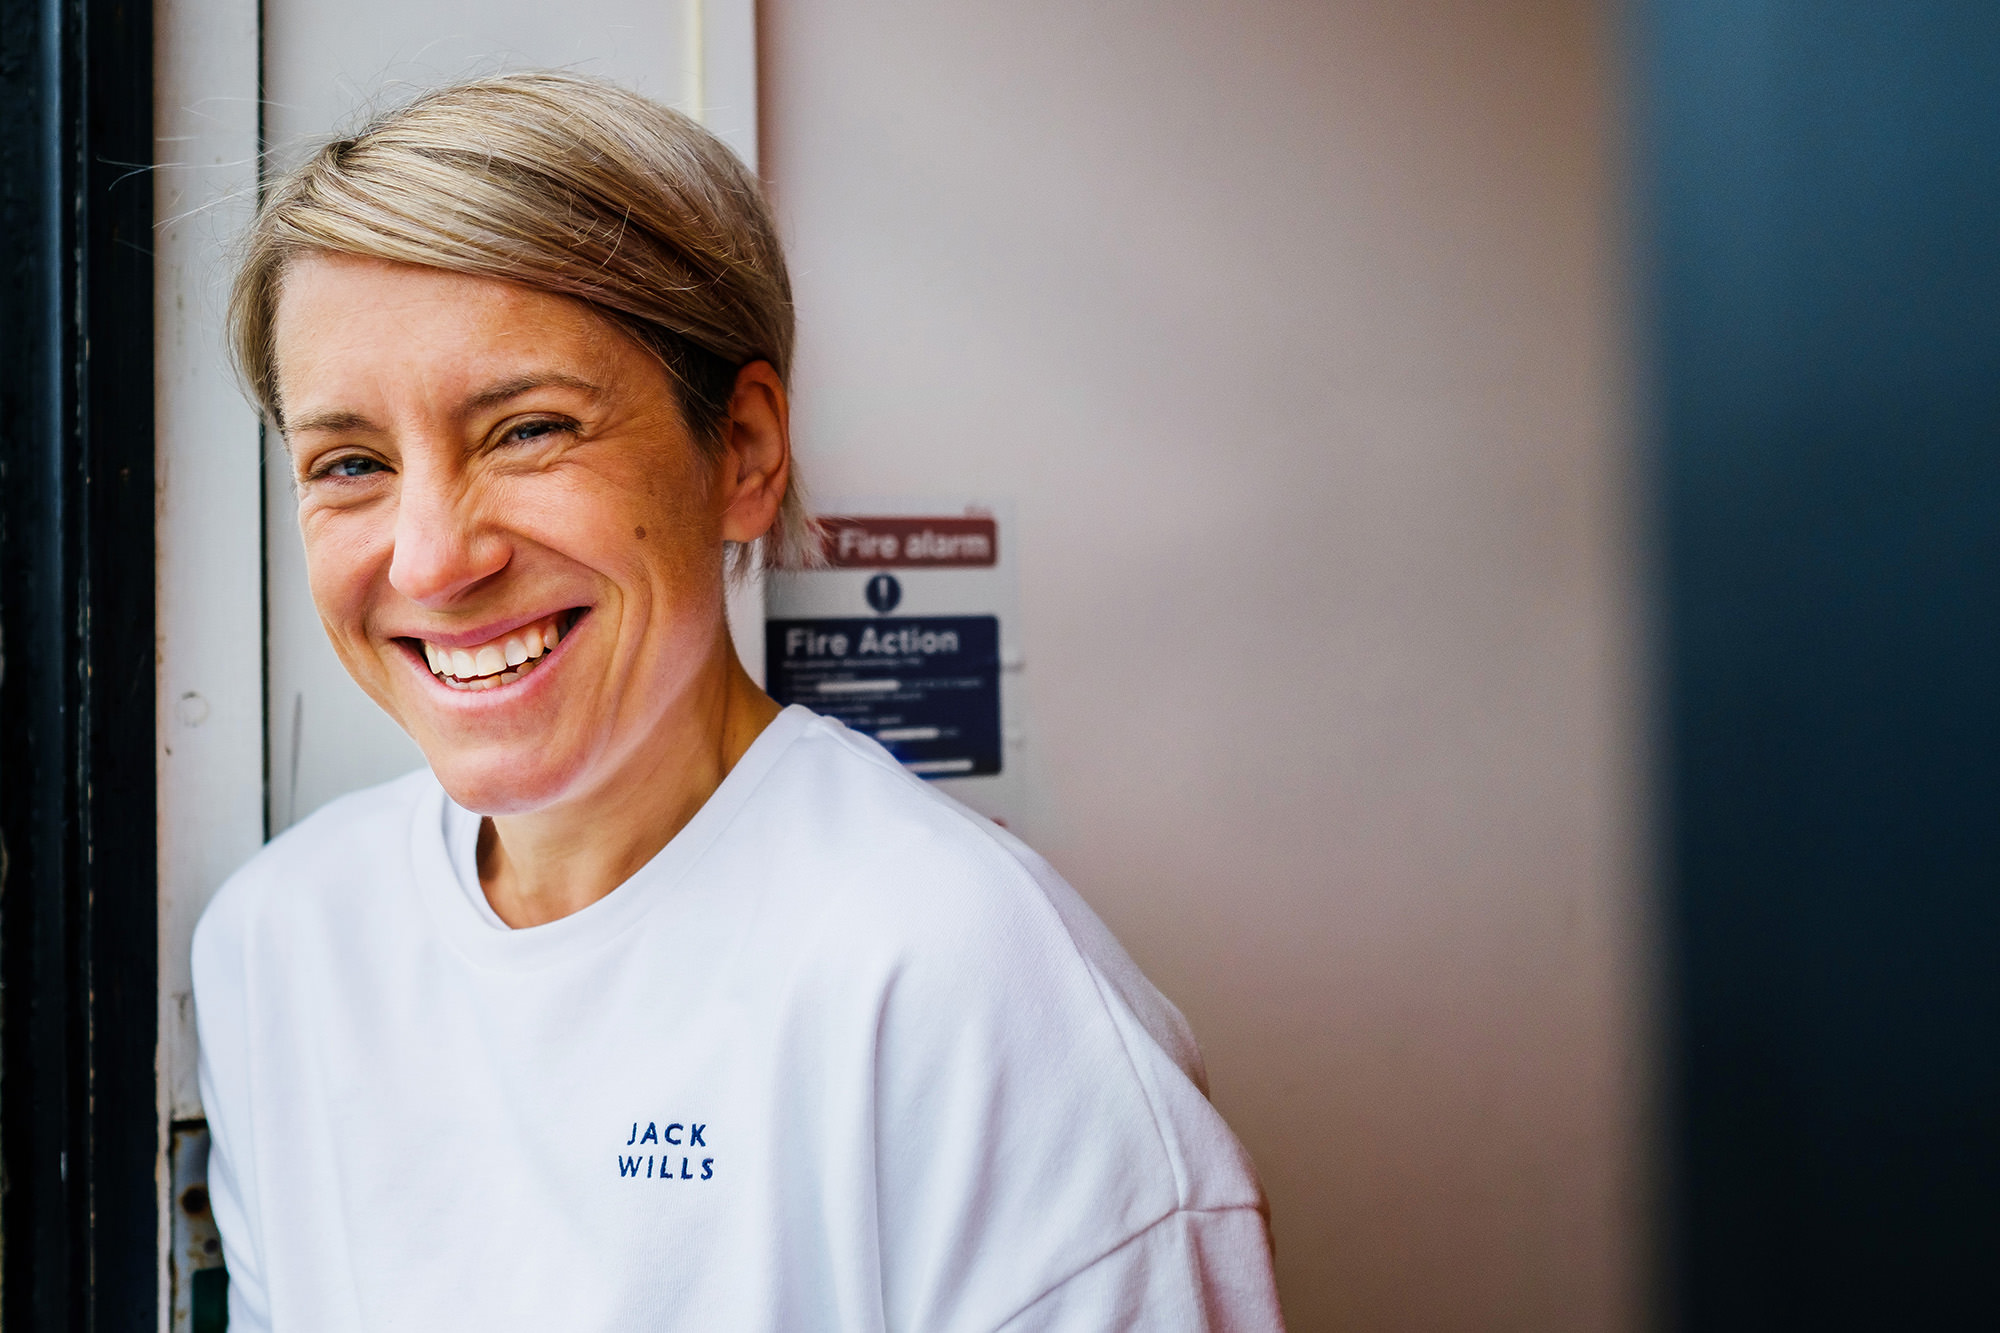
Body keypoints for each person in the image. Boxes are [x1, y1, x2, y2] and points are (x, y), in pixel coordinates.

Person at [193, 71, 1284, 1331]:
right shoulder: (281, 946)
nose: (433, 559)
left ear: (745, 453)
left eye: (528, 431)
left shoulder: (965, 987)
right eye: (350, 463)